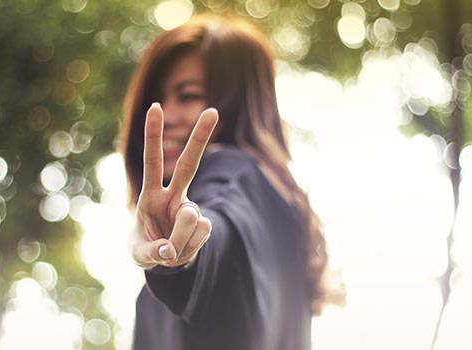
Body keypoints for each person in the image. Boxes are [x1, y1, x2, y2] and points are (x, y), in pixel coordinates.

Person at [119, 14, 336, 350]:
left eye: (188, 95)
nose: (165, 116)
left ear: (237, 102)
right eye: (157, 99)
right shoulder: (289, 209)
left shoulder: (232, 171)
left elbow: (221, 227)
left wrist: (186, 252)